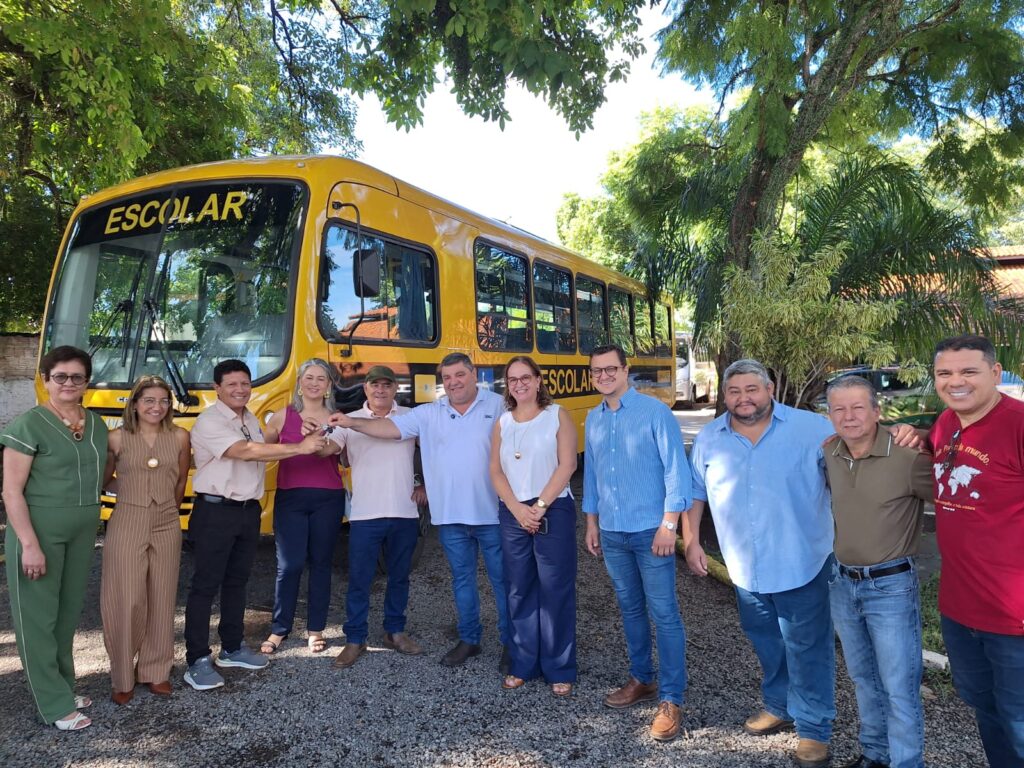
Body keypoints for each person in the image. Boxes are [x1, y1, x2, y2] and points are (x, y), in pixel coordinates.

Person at [683, 358, 836, 768]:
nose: (743, 398)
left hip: (802, 561)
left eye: (752, 389)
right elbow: (695, 492)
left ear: (770, 389)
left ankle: (814, 728)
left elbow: (853, 467)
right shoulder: (710, 438)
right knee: (766, 640)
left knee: (808, 646)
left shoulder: (813, 429)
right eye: (734, 391)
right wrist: (691, 541)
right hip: (744, 566)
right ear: (725, 396)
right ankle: (779, 704)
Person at [328, 352, 510, 670]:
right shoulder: (429, 413)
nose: (453, 382)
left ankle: (513, 642)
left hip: (491, 513)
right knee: (462, 581)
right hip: (449, 515)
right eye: (447, 377)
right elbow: (386, 430)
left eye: (460, 375)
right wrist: (348, 422)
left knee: (504, 581)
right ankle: (469, 639)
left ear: (473, 374)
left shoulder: (498, 405)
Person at [183, 359, 327, 692]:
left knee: (237, 583)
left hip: (247, 512)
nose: (240, 389)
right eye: (232, 384)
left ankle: (232, 648)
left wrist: (304, 435)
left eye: (245, 383)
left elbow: (265, 446)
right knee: (205, 586)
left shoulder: (250, 419)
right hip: (215, 512)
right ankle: (197, 660)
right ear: (217, 388)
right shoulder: (209, 420)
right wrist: (299, 447)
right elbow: (245, 451)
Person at [582, 343, 691, 742]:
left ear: (626, 371)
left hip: (650, 531)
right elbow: (592, 475)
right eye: (597, 371)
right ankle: (641, 678)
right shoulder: (593, 419)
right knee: (630, 610)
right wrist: (591, 523)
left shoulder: (655, 413)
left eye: (611, 369)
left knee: (664, 613)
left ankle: (671, 698)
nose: (604, 376)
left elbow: (676, 471)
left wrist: (669, 524)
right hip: (613, 532)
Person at [823, 375, 933, 768]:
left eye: (858, 407)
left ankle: (906, 762)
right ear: (829, 415)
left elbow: (959, 498)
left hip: (891, 586)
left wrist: (923, 435)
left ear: (877, 411)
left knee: (898, 687)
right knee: (863, 678)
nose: (848, 416)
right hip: (843, 583)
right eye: (839, 409)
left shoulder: (908, 457)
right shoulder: (831, 452)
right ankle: (875, 754)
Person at [925, 335, 1024, 767]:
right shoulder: (946, 423)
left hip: (1015, 617)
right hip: (961, 609)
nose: (956, 381)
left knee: (1020, 721)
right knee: (988, 711)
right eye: (945, 373)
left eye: (969, 371)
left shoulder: (1017, 424)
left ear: (995, 373)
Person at [1, 345, 108, 731]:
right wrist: (29, 545)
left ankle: (63, 686)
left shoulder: (96, 424)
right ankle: (52, 703)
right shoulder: (28, 425)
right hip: (39, 531)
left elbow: (105, 474)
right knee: (38, 618)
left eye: (77, 377)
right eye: (60, 376)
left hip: (82, 531)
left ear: (87, 382)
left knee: (66, 615)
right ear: (45, 379)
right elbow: (11, 491)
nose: (68, 383)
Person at [326, 365, 428, 668]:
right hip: (365, 514)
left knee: (400, 577)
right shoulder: (348, 421)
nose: (380, 390)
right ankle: (355, 638)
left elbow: (434, 451)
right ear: (366, 389)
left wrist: (425, 482)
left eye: (386, 385)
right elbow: (329, 448)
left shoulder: (410, 417)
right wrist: (313, 440)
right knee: (359, 579)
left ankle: (394, 632)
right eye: (375, 385)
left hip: (404, 511)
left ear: (395, 389)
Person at [490, 356, 578, 695]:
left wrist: (538, 507)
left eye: (525, 377)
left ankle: (559, 667)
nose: (519, 384)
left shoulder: (557, 415)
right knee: (519, 589)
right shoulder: (502, 423)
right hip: (513, 513)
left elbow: (567, 465)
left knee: (555, 588)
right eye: (512, 379)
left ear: (539, 380)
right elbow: (495, 471)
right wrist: (517, 509)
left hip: (552, 509)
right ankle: (523, 663)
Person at [101, 375, 190, 704]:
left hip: (166, 521)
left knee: (162, 596)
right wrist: (131, 492)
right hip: (127, 519)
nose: (157, 407)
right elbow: (104, 479)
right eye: (149, 400)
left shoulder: (179, 436)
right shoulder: (116, 438)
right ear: (135, 404)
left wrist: (168, 508)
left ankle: (156, 670)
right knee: (127, 598)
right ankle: (122, 675)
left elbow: (180, 480)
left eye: (163, 401)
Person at [260, 359, 346, 657]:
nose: (314, 383)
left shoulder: (337, 419)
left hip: (328, 498)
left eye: (321, 378)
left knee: (321, 564)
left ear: (329, 385)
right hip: (290, 498)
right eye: (309, 377)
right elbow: (262, 451)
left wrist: (315, 439)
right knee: (289, 565)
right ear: (299, 383)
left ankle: (316, 629)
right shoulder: (281, 416)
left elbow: (329, 451)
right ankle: (280, 628)